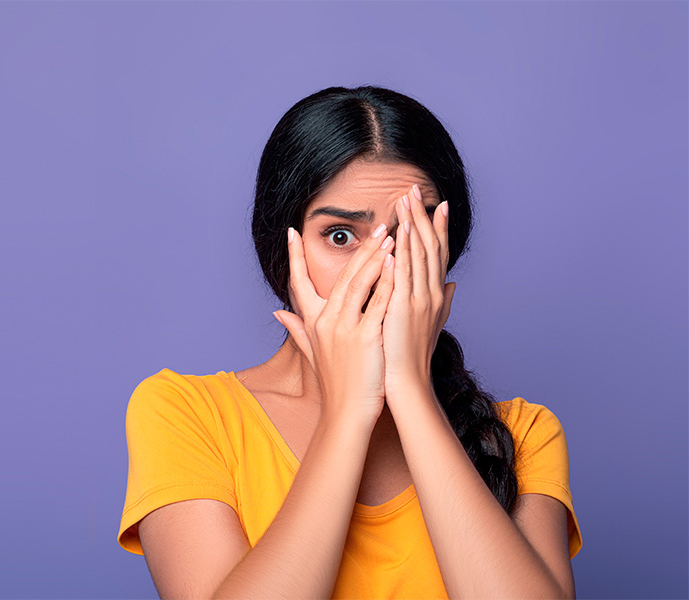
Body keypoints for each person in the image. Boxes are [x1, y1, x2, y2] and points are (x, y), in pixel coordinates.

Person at [117, 85, 583, 599]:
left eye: (411, 232)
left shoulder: (523, 435)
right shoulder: (187, 415)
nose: (380, 269)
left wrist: (410, 390)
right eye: (340, 235)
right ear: (283, 248)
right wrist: (348, 413)